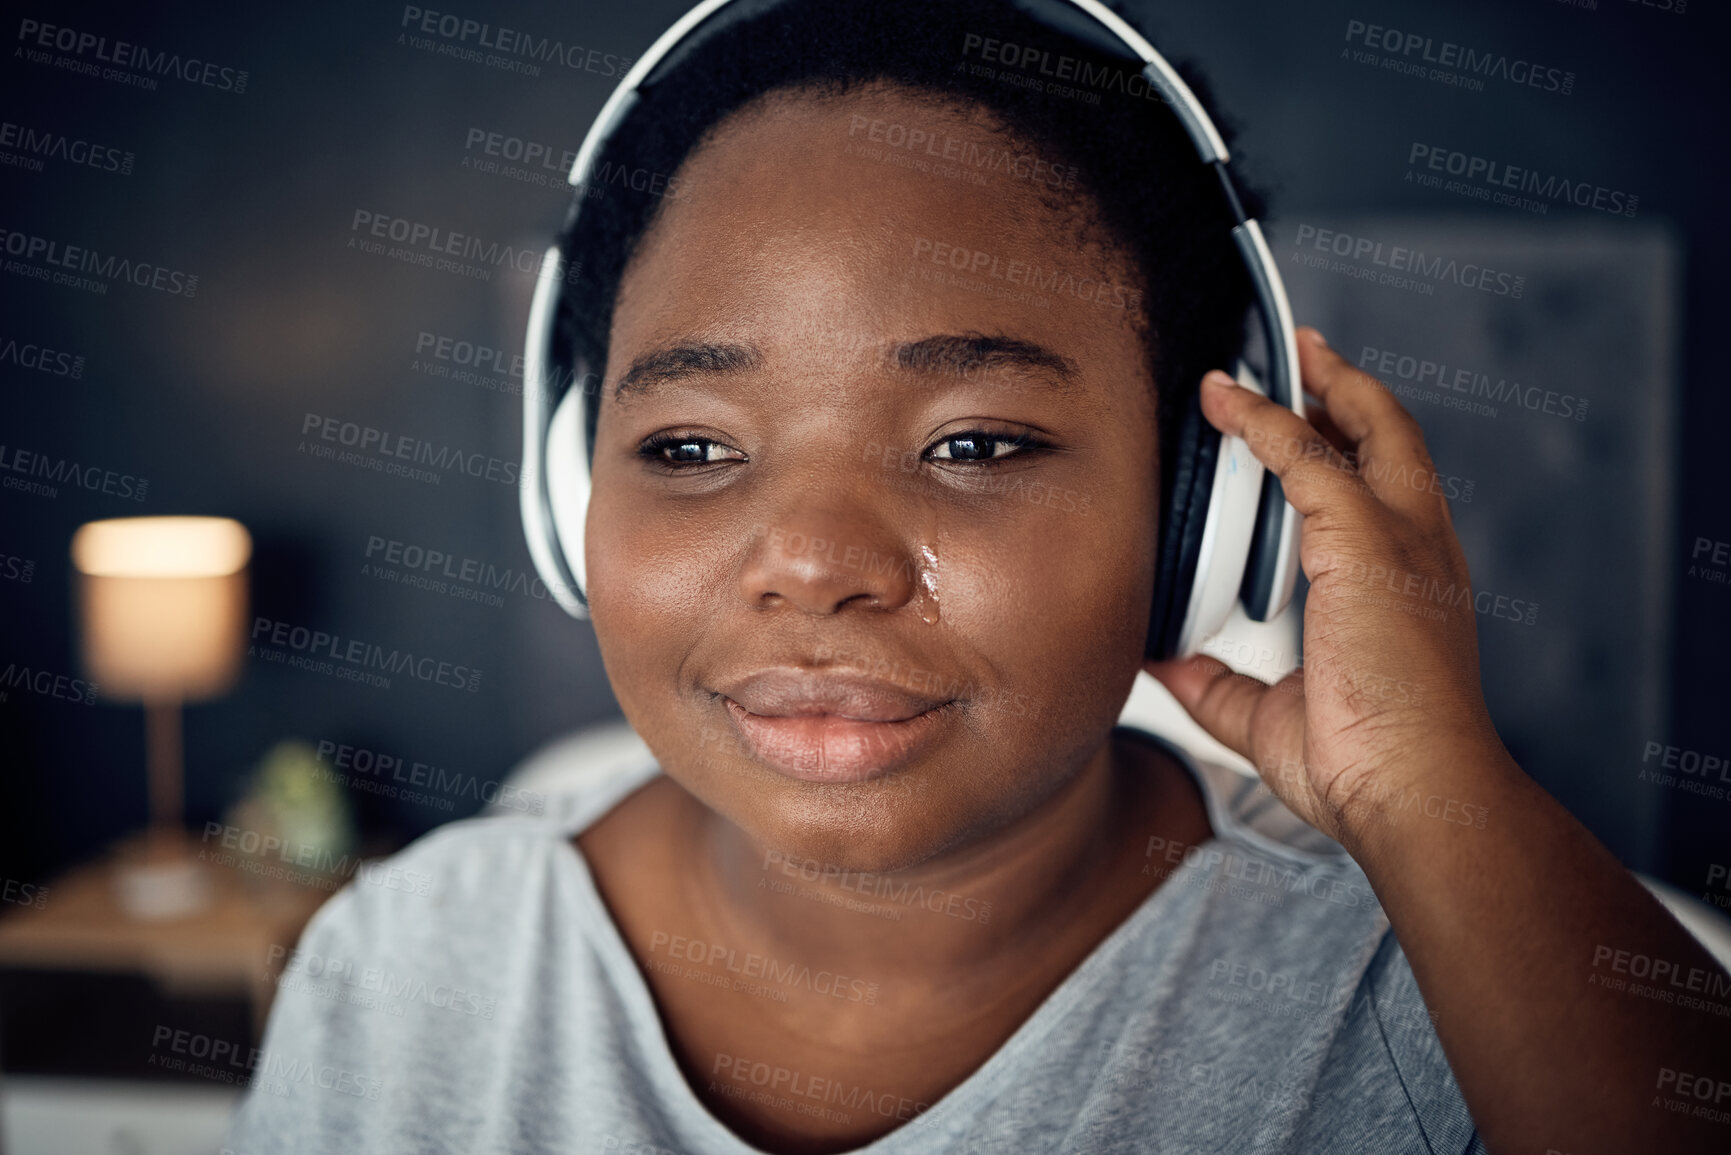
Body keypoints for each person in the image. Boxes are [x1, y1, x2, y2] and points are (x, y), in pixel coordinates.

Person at [226, 1, 1731, 1151]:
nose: (812, 565)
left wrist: (1428, 788)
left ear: (1204, 511)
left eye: (976, 443)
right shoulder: (405, 973)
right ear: (570, 491)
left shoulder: (1433, 1021)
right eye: (689, 449)